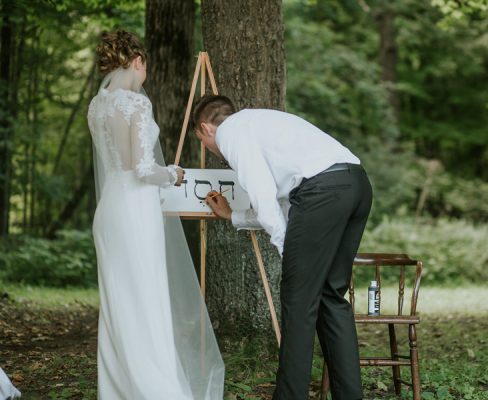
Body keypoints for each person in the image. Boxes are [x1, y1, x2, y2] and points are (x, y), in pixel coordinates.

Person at [193, 95, 372, 400]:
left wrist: (287, 251)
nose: (208, 148)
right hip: (356, 185)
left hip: (322, 193)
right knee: (331, 296)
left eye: (201, 141)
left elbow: (264, 197)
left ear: (205, 128)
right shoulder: (260, 124)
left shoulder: (231, 133)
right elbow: (285, 204)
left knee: (299, 302)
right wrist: (233, 215)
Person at [87, 30, 224, 399]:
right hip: (135, 209)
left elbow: (115, 164)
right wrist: (175, 174)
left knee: (119, 302)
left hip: (109, 210)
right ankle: (156, 387)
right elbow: (144, 170)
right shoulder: (136, 104)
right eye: (145, 67)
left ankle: (117, 388)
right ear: (137, 61)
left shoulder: (97, 106)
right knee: (146, 298)